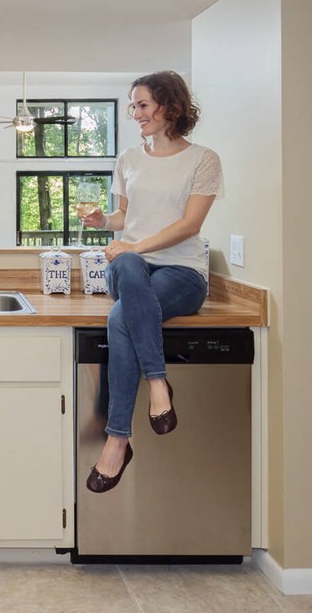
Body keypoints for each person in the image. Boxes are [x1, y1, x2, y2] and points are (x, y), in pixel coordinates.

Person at [80, 70, 222, 494]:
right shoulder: (128, 158)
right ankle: (159, 384)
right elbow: (126, 218)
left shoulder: (203, 160)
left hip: (182, 272)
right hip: (131, 267)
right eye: (134, 106)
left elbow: (189, 224)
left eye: (142, 105)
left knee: (122, 316)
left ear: (170, 107)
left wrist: (133, 247)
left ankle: (117, 439)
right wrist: (103, 221)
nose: (135, 114)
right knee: (124, 269)